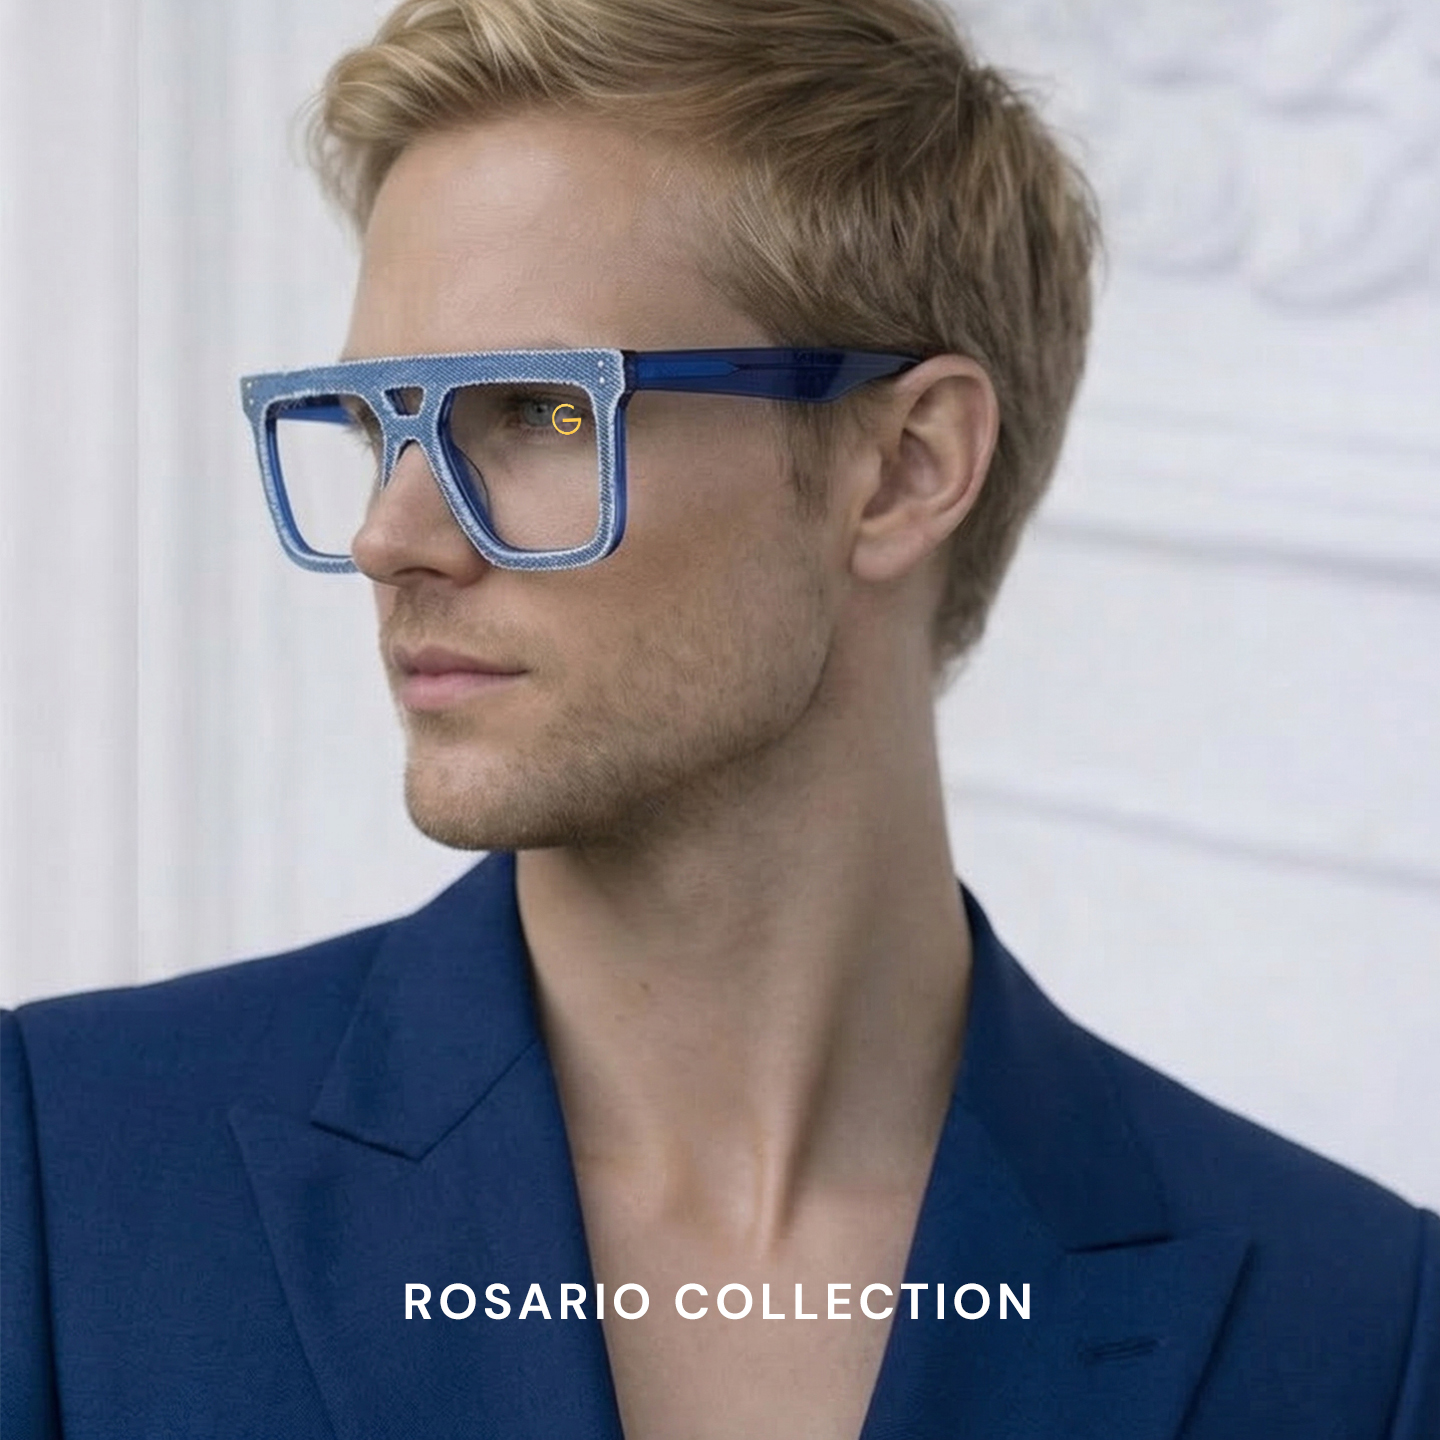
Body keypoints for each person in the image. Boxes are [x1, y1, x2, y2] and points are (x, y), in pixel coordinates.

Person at [3, 0, 1436, 1435]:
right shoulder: (65, 1174)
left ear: (905, 467)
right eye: (384, 425)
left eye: (540, 411)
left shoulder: (1357, 1334)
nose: (391, 536)